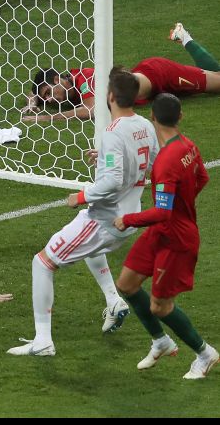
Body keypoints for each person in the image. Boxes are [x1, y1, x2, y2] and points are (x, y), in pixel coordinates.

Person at [8, 67, 159, 357]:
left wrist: (80, 196)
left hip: (105, 219)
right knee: (91, 249)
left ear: (111, 96)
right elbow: (151, 163)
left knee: (42, 263)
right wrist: (106, 157)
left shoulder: (113, 132)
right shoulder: (144, 125)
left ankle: (43, 341)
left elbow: (112, 182)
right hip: (130, 215)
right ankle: (113, 300)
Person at [113, 93, 217, 379]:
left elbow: (162, 212)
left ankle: (205, 353)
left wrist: (127, 220)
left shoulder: (166, 162)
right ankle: (160, 341)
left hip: (176, 239)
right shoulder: (188, 146)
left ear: (152, 117)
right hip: (163, 232)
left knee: (160, 306)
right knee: (127, 284)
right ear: (180, 116)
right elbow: (203, 178)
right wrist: (183, 203)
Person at [21, 23, 220, 123]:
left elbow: (92, 110)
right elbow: (34, 92)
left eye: (48, 92)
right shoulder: (67, 86)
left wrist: (46, 118)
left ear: (57, 79)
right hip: (154, 90)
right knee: (214, 76)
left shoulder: (85, 79)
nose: (50, 99)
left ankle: (184, 37)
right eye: (45, 98)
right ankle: (183, 37)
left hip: (160, 74)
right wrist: (33, 101)